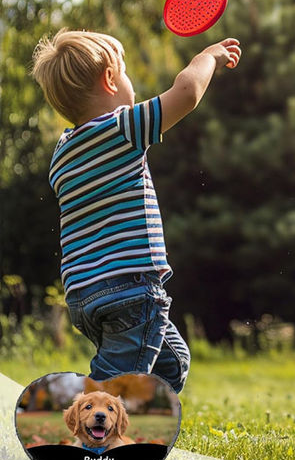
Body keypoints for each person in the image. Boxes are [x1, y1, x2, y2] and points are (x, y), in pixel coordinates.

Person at [32, 28, 241, 393]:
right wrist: (207, 57)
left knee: (172, 363)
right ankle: (79, 429)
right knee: (114, 387)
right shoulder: (123, 128)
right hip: (130, 289)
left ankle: (139, 426)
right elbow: (187, 94)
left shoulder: (62, 154)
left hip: (84, 295)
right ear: (110, 79)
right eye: (125, 72)